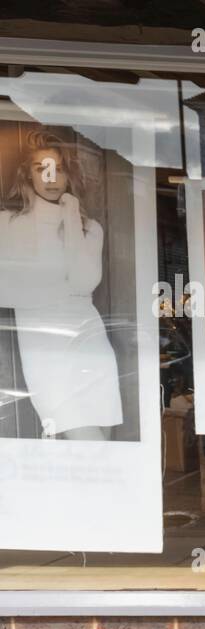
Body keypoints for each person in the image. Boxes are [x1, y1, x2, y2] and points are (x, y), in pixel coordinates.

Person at [0, 128, 121, 440]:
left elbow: (84, 280)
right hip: (47, 351)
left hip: (91, 345)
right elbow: (6, 290)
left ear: (69, 176)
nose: (52, 178)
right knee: (89, 448)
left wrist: (69, 218)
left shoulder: (88, 227)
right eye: (43, 169)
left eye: (59, 169)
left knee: (99, 451)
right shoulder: (7, 224)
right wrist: (55, 289)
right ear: (28, 175)